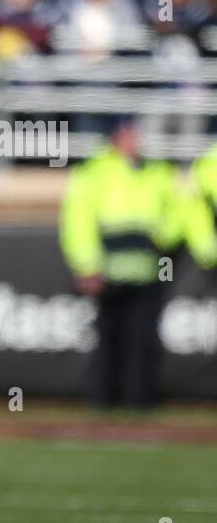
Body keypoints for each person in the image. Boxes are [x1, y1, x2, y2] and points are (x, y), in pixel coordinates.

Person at [59, 118, 185, 407]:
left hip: (145, 271)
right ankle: (103, 401)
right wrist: (87, 265)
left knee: (142, 339)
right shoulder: (94, 171)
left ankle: (141, 401)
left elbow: (180, 209)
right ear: (117, 136)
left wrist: (162, 238)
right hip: (108, 272)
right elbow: (78, 221)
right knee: (108, 338)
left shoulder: (158, 171)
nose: (136, 140)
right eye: (130, 134)